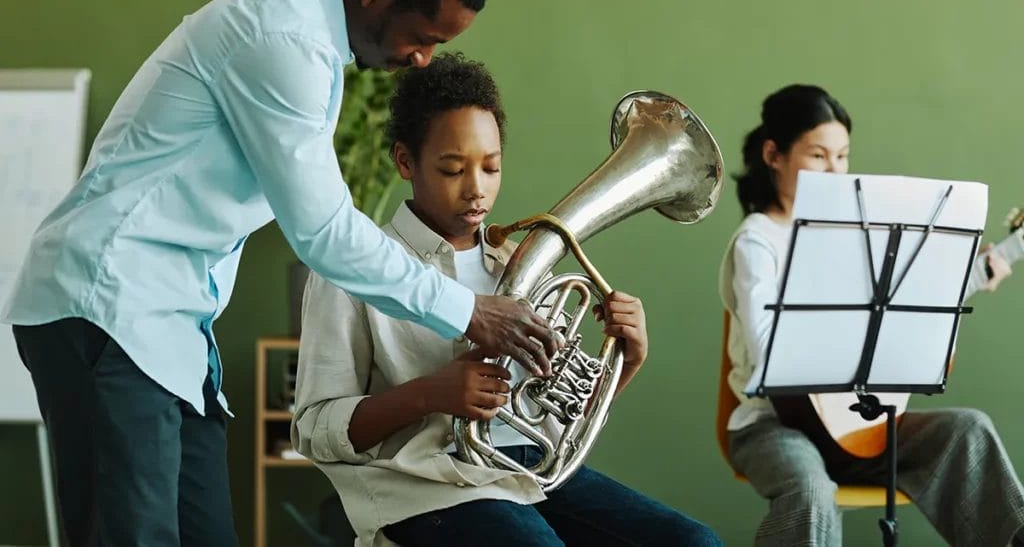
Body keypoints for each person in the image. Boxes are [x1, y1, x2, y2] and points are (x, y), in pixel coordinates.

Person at [2, 0, 560, 546]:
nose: (423, 59)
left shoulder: (303, 35)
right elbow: (323, 231)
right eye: (423, 36)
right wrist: (470, 312)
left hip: (168, 328)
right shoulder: (282, 38)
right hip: (106, 309)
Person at [292, 52, 723, 547]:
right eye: (453, 169)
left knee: (695, 542)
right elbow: (315, 430)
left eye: (492, 167)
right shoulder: (355, 271)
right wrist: (432, 393)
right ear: (405, 161)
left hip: (533, 476)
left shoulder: (520, 263)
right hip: (427, 486)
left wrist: (627, 361)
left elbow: (555, 418)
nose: (477, 190)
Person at [720, 83, 1024, 546]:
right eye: (818, 156)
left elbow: (897, 301)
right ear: (773, 154)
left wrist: (975, 271)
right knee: (811, 489)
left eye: (842, 157)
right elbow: (769, 353)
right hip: (772, 426)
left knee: (967, 430)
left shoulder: (858, 234)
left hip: (856, 428)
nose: (834, 171)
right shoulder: (758, 241)